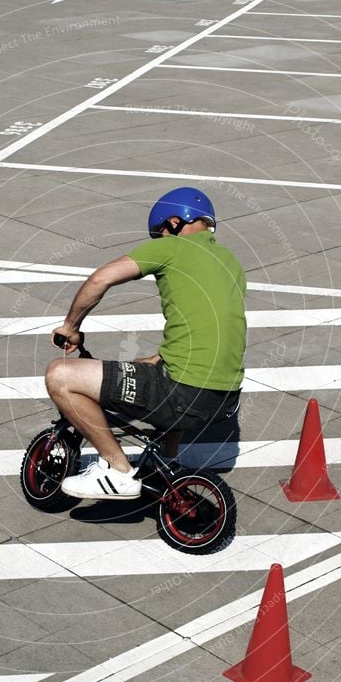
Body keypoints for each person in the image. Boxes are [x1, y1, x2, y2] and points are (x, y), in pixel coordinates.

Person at [46, 187, 247, 500]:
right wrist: (138, 364)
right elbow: (199, 343)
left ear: (176, 222)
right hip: (224, 396)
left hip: (185, 392)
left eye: (160, 233)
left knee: (59, 374)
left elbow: (101, 278)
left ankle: (118, 472)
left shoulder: (175, 247)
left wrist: (71, 327)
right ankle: (166, 459)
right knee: (152, 365)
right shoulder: (230, 261)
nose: (161, 239)